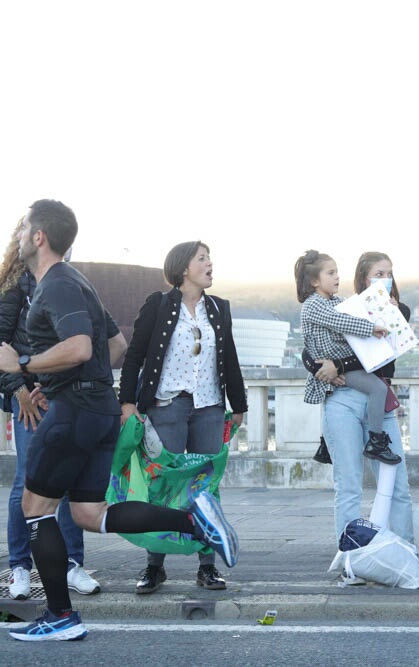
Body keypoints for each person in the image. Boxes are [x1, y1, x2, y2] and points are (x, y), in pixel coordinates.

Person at [1, 200, 238, 642]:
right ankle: (194, 522)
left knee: (35, 510)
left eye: (23, 228)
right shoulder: (77, 283)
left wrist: (26, 363)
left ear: (39, 237)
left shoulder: (55, 285)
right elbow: (115, 344)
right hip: (98, 411)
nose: (16, 236)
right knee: (90, 512)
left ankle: (60, 616)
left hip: (73, 414)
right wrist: (52, 379)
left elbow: (81, 348)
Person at [118, 241, 248, 593]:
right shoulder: (158, 305)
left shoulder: (218, 308)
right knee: (163, 485)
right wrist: (127, 403)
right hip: (167, 406)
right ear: (183, 268)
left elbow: (230, 359)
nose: (210, 263)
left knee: (206, 486)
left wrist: (239, 406)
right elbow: (134, 358)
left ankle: (207, 566)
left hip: (209, 407)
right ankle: (154, 565)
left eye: (209, 258)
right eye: (202, 258)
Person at [1, 222, 100, 599]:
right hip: (28, 395)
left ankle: (73, 564)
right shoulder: (15, 286)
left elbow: (84, 341)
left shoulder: (72, 283)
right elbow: (2, 342)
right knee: (28, 479)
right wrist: (20, 390)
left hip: (63, 393)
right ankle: (20, 567)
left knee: (70, 480)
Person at [302, 251, 413, 545]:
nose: (385, 280)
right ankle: (351, 555)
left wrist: (337, 366)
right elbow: (310, 346)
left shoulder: (397, 311)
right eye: (378, 274)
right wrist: (317, 366)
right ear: (363, 277)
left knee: (398, 484)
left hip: (378, 398)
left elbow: (383, 362)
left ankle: (406, 549)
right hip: (342, 399)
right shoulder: (347, 307)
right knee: (348, 485)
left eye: (389, 274)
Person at [295, 250, 399, 465]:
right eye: (331, 273)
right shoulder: (313, 305)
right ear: (314, 280)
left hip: (341, 368)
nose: (337, 277)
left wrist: (389, 311)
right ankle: (376, 442)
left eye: (337, 272)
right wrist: (371, 328)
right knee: (378, 389)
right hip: (339, 368)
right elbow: (342, 322)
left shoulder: (335, 301)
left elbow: (353, 313)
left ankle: (327, 445)